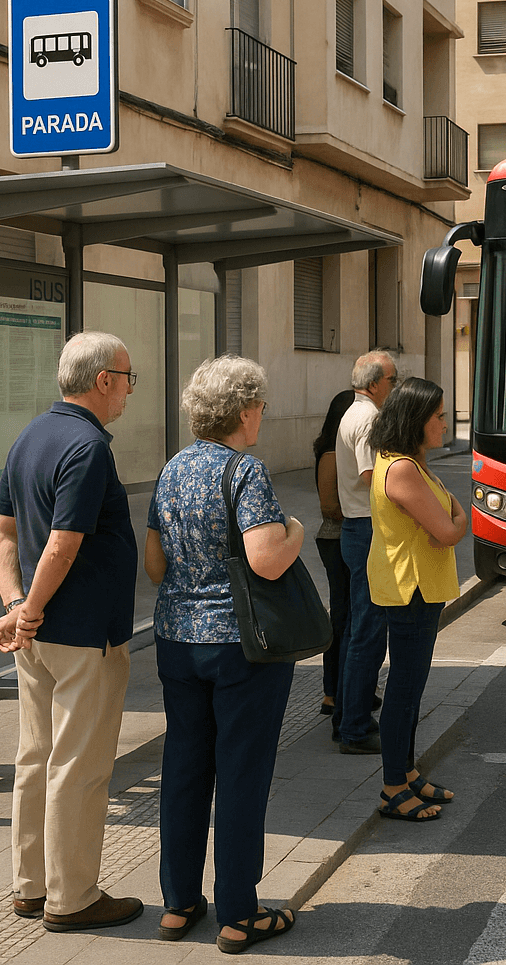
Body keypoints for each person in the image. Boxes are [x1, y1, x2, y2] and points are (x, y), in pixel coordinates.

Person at [0, 331, 143, 932]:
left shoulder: (31, 436)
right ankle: (72, 897)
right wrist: (26, 609)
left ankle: (30, 886)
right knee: (79, 765)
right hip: (82, 634)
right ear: (103, 380)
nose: (129, 389)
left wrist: (18, 605)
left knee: (35, 758)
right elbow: (65, 541)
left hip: (38, 636)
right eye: (127, 377)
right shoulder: (89, 447)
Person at [145, 355, 301, 952]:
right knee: (240, 774)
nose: (262, 415)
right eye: (259, 405)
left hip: (176, 642)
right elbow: (266, 558)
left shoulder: (172, 470)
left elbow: (156, 565)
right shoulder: (246, 471)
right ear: (243, 411)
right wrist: (295, 532)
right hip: (241, 646)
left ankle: (178, 904)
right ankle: (239, 912)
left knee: (184, 770)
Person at [367, 378, 467, 821]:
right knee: (404, 690)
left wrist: (452, 515)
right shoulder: (402, 468)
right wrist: (458, 518)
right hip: (410, 589)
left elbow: (445, 518)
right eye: (439, 416)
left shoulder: (409, 461)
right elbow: (448, 529)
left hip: (417, 588)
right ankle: (393, 788)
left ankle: (407, 773)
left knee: (412, 688)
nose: (445, 424)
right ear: (416, 420)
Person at [335, 349, 398, 754]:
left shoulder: (353, 412)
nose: (396, 386)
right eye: (393, 380)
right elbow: (374, 476)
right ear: (375, 384)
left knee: (360, 630)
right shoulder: (369, 418)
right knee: (368, 634)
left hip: (357, 528)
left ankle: (349, 715)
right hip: (366, 529)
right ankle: (354, 726)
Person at [313, 389, 356, 719]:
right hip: (336, 539)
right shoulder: (330, 453)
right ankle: (332, 692)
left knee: (352, 617)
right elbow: (328, 507)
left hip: (345, 538)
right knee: (342, 617)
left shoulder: (348, 450)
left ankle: (350, 688)